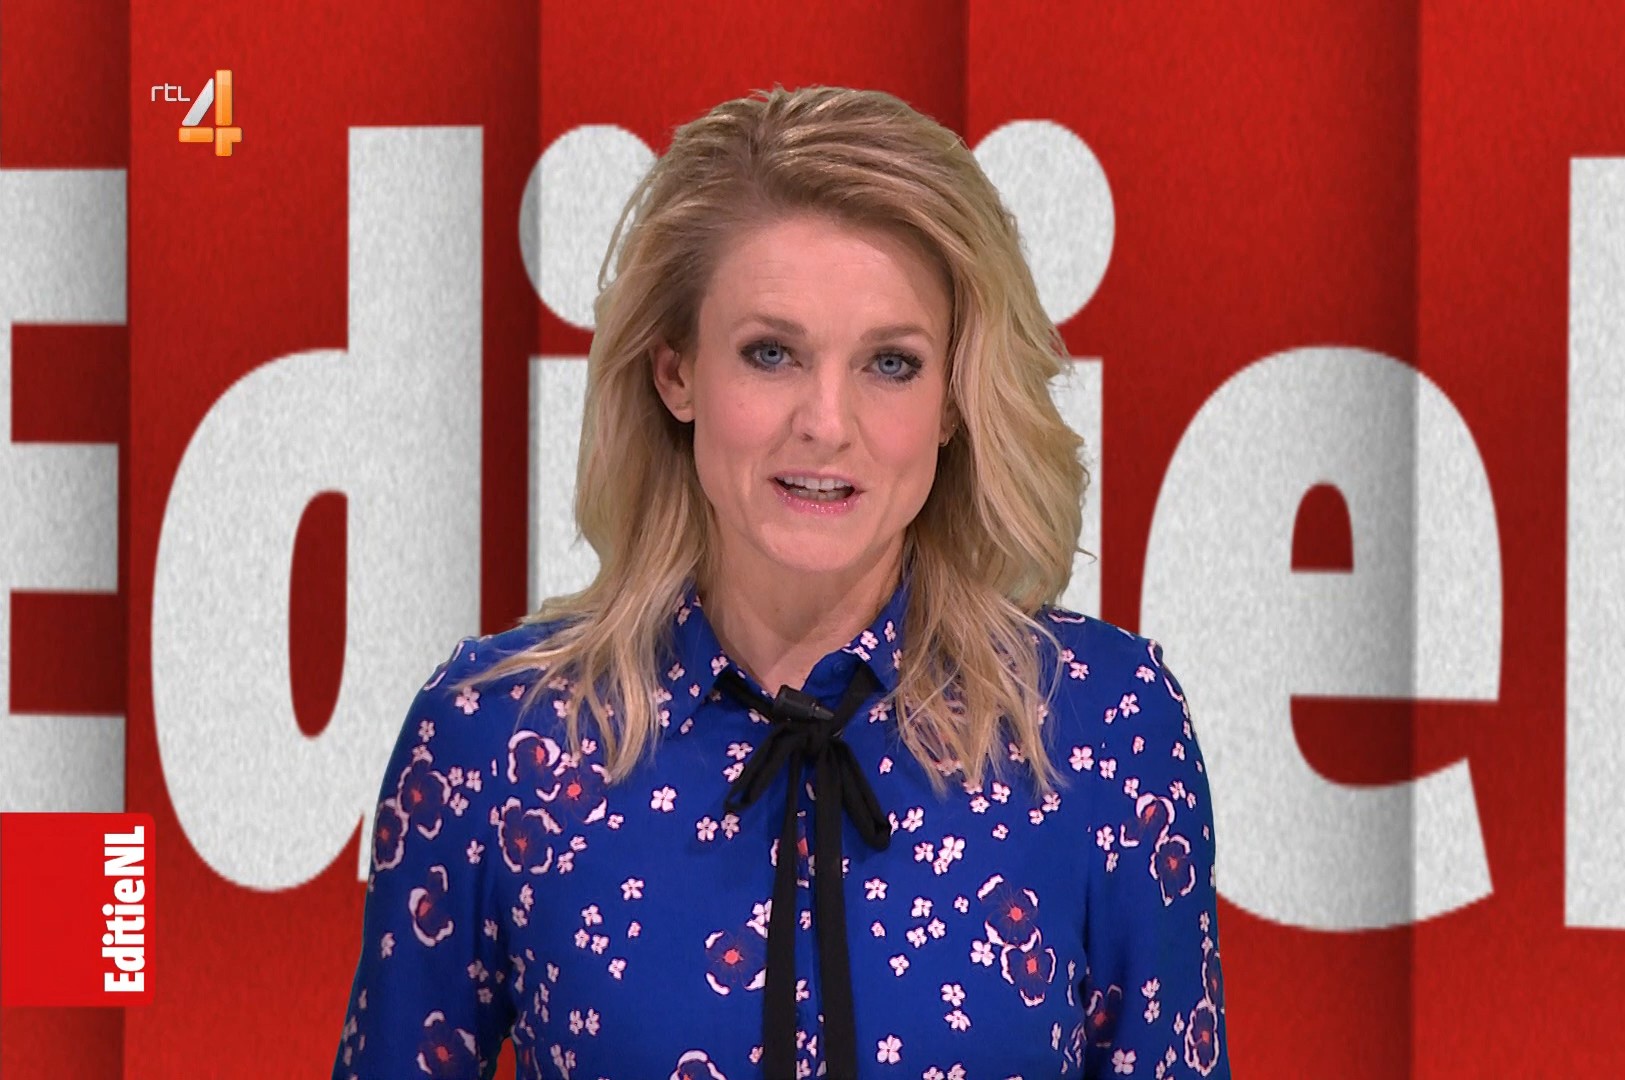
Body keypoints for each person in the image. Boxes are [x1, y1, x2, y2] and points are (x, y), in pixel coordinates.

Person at [332, 84, 1228, 1079]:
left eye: (892, 364)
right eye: (771, 354)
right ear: (675, 373)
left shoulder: (1103, 728)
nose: (827, 424)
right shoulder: (495, 738)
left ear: (953, 400)